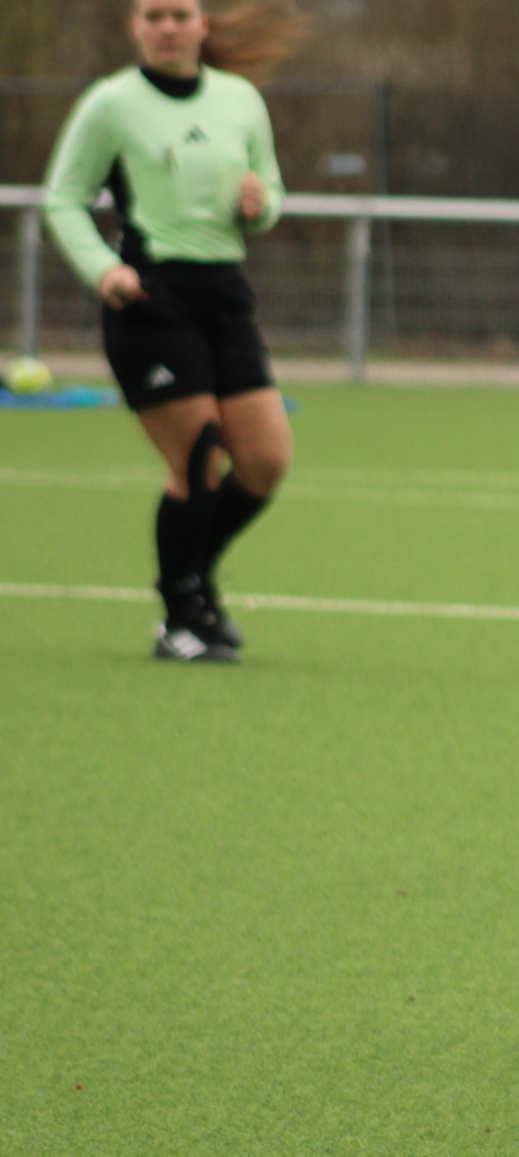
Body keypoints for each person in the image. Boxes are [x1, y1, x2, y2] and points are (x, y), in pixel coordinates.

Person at [41, 0, 305, 662]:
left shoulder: (239, 99)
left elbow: (271, 192)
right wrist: (103, 269)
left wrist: (261, 205)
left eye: (180, 15)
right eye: (153, 15)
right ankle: (180, 618)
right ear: (135, 27)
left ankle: (194, 582)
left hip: (225, 294)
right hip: (150, 298)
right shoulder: (111, 104)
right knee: (199, 457)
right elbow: (62, 198)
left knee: (265, 461)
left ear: (202, 25)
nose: (167, 27)